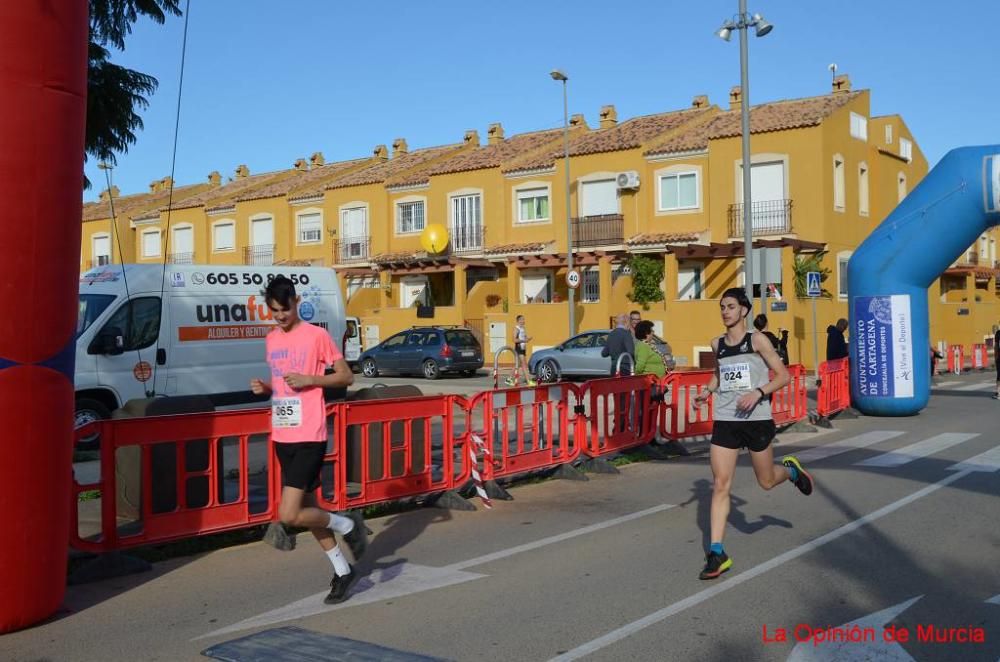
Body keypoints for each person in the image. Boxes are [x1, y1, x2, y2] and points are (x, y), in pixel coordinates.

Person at [250, 276, 368, 605]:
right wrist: (267, 389)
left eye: (284, 310)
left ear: (296, 302)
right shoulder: (271, 339)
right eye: (273, 311)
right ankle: (343, 570)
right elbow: (284, 387)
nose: (279, 317)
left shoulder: (317, 336)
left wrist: (310, 379)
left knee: (289, 514)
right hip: (282, 433)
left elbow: (346, 376)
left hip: (310, 435)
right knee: (309, 510)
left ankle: (347, 523)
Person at [693, 288, 813, 580]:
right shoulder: (716, 343)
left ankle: (791, 471)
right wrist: (707, 392)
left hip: (757, 418)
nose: (725, 311)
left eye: (731, 306)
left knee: (766, 481)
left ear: (744, 310)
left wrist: (758, 392)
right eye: (722, 307)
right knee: (721, 484)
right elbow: (722, 373)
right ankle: (717, 553)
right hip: (725, 418)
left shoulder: (757, 340)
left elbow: (783, 376)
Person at [508, 314, 535, 386]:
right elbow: (514, 340)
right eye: (522, 319)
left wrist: (528, 339)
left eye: (524, 319)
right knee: (524, 365)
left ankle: (509, 379)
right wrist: (524, 340)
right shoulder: (516, 329)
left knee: (518, 364)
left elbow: (524, 338)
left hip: (523, 349)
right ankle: (528, 381)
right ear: (518, 321)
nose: (523, 321)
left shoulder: (523, 328)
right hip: (518, 348)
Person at [994, 327, 1000, 399]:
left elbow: (996, 347)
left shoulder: (998, 333)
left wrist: (996, 357)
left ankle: (999, 393)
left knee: (999, 375)